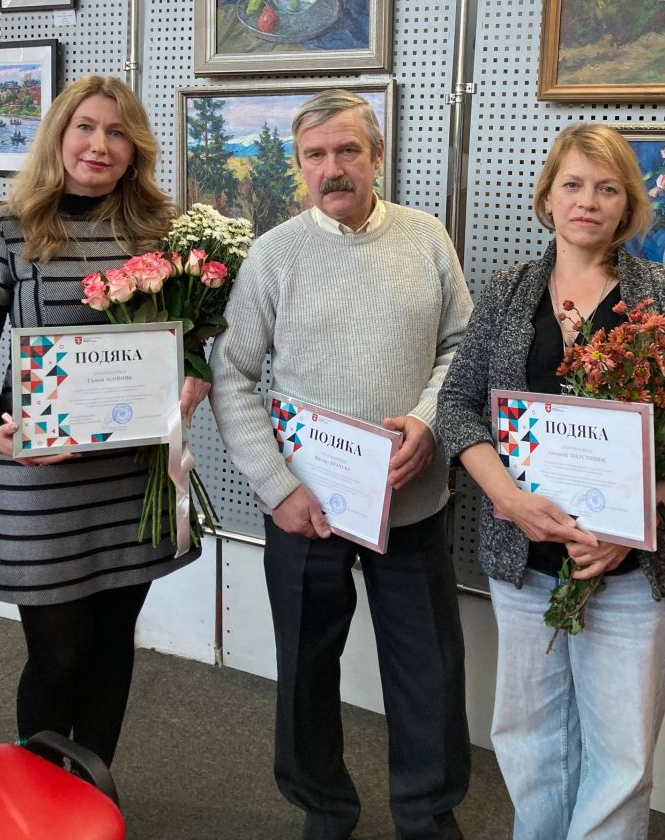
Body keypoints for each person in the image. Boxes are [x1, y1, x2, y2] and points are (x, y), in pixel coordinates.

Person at [437, 122, 665, 840]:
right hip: (525, 562)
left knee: (621, 758)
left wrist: (636, 523)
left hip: (630, 569)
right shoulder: (509, 291)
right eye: (572, 184)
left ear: (627, 207)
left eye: (607, 188)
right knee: (529, 743)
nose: (587, 201)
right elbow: (457, 405)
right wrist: (507, 498)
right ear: (547, 198)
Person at [209, 88, 473, 840]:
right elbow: (232, 375)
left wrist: (428, 424)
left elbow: (461, 347)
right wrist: (277, 488)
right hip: (307, 509)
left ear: (377, 156)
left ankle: (428, 818)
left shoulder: (426, 238)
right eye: (315, 155)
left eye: (349, 150)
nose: (333, 168)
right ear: (300, 167)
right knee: (305, 671)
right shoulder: (273, 254)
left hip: (410, 503)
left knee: (428, 672)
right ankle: (324, 809)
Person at [0, 75, 209, 767]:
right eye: (86, 128)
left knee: (111, 646)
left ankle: (92, 788)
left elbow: (191, 336)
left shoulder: (162, 229)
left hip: (133, 478)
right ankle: (38, 793)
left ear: (136, 148)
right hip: (43, 479)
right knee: (58, 656)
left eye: (118, 132)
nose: (100, 145)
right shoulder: (6, 227)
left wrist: (197, 373)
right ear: (59, 136)